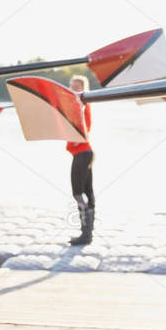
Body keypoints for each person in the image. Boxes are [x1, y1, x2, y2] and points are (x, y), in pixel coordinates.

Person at [66, 74, 95, 245]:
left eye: (77, 87)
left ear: (84, 89)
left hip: (83, 153)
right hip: (85, 153)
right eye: (71, 86)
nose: (73, 90)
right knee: (87, 193)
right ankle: (87, 234)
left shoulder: (82, 105)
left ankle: (86, 233)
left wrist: (79, 136)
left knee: (78, 193)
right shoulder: (75, 106)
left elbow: (85, 126)